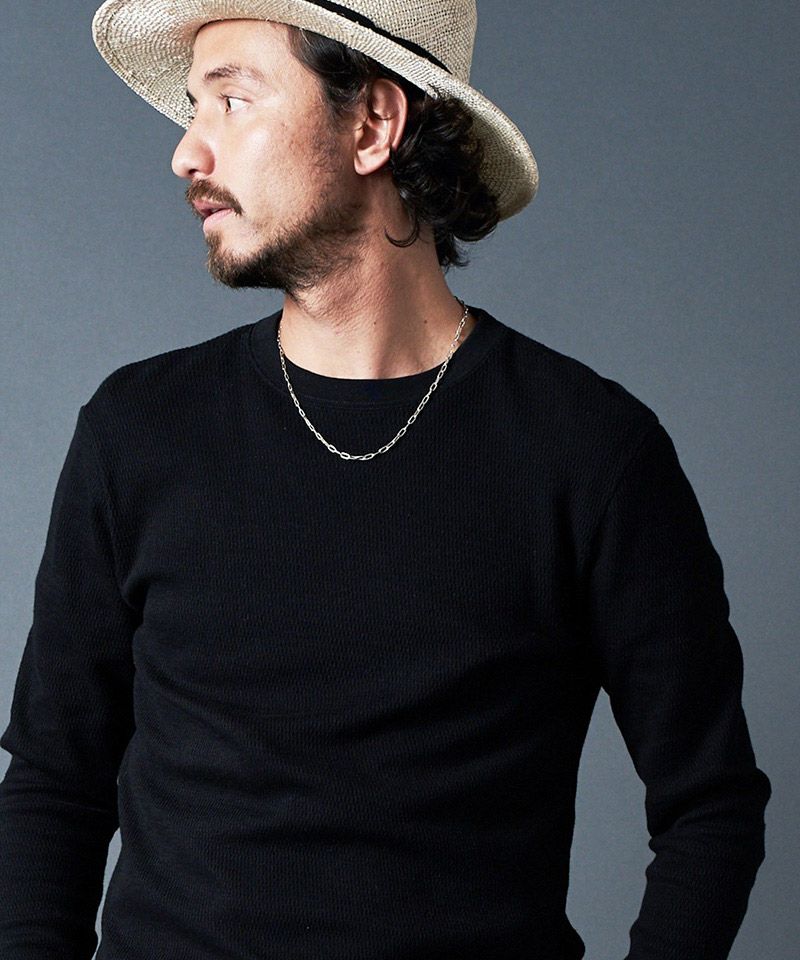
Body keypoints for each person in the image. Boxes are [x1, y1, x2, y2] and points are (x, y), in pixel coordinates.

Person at [0, 2, 771, 958]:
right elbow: (52, 781)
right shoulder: (138, 430)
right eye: (194, 109)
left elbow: (710, 807)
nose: (187, 154)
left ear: (372, 123)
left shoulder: (590, 452)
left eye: (232, 102)